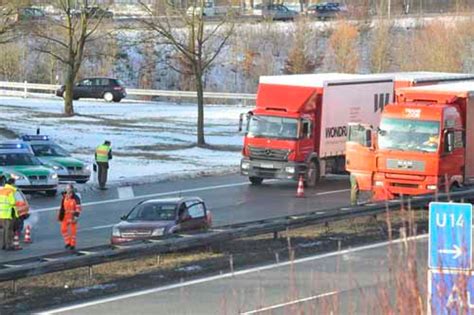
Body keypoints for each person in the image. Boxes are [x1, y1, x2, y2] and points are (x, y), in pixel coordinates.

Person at [58, 184, 81, 250]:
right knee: (63, 229)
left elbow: (78, 208)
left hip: (72, 216)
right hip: (65, 216)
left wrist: (76, 217)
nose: (67, 190)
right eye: (66, 189)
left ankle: (72, 244)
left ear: (72, 189)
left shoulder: (76, 198)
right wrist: (60, 216)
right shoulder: (65, 197)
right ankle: (67, 242)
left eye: (68, 189)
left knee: (73, 231)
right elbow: (62, 207)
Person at [0, 177, 20, 251]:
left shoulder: (2, 190)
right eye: (15, 184)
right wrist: (17, 202)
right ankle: (9, 245)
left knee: (5, 230)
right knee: (9, 230)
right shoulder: (10, 191)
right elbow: (12, 202)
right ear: (12, 183)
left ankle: (4, 245)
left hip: (2, 213)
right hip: (9, 213)